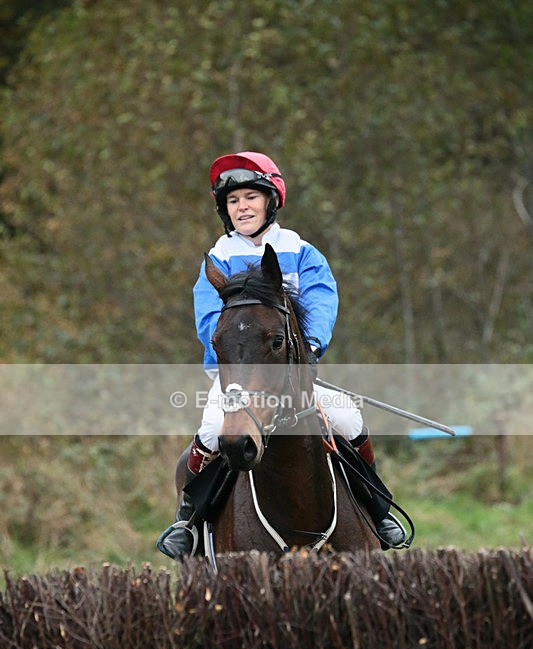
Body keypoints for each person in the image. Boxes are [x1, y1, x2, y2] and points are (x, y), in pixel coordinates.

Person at [157, 151, 407, 559]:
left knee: (348, 419)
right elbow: (209, 320)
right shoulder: (217, 258)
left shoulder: (301, 251)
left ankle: (378, 510)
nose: (242, 207)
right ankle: (188, 521)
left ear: (271, 201)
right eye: (233, 201)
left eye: (251, 198)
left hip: (292, 372)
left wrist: (311, 346)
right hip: (235, 380)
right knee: (211, 431)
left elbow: (321, 300)